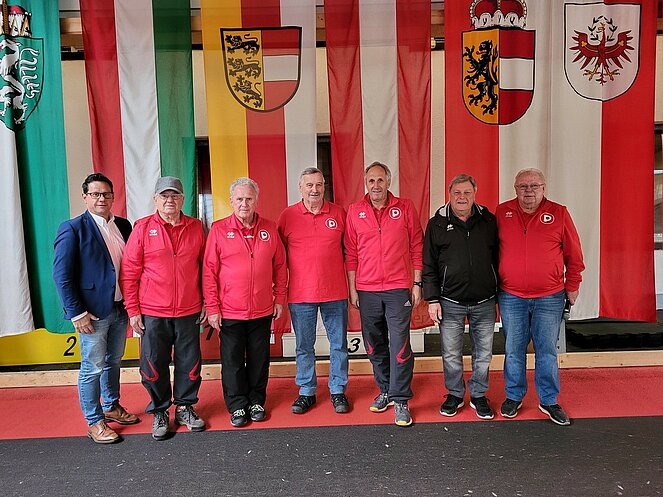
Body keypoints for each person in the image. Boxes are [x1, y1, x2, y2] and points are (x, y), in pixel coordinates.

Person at [53, 173, 139, 444]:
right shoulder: (72, 228)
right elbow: (62, 276)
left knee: (114, 361)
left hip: (120, 307)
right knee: (92, 367)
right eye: (95, 194)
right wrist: (76, 313)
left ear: (113, 197)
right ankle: (94, 420)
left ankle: (111, 406)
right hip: (91, 313)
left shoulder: (124, 225)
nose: (101, 198)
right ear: (85, 197)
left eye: (106, 194)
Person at [120, 176, 207, 440]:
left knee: (189, 363)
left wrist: (207, 301)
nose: (170, 200)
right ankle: (159, 410)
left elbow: (206, 268)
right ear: (155, 200)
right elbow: (129, 272)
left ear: (183, 199)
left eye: (175, 195)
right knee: (153, 363)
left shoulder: (196, 227)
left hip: (189, 310)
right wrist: (133, 310)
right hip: (152, 312)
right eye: (164, 196)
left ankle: (184, 407)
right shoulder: (143, 228)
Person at [496, 168, 585, 426]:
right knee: (513, 350)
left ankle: (548, 400)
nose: (529, 191)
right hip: (511, 296)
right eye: (523, 186)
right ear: (515, 189)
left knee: (546, 351)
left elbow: (574, 255)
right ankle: (514, 396)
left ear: (544, 188)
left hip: (549, 297)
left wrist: (573, 285)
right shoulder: (502, 212)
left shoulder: (559, 213)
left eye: (534, 186)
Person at [203, 177, 287, 427]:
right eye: (239, 199)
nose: (244, 203)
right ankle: (237, 405)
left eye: (249, 199)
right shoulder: (218, 230)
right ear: (231, 201)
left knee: (260, 359)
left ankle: (256, 401)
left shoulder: (270, 228)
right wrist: (212, 307)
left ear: (256, 200)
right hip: (230, 311)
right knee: (232, 361)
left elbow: (280, 266)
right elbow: (209, 271)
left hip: (262, 309)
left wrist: (280, 298)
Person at [345, 162, 423, 427]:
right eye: (371, 181)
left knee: (399, 344)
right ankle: (386, 389)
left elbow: (416, 245)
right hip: (367, 290)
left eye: (380, 180)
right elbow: (351, 253)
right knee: (373, 344)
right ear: (365, 183)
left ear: (389, 182)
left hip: (397, 288)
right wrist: (353, 288)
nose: (376, 185)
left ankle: (401, 399)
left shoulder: (405, 208)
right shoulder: (355, 211)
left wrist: (417, 283)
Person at [423, 174, 499, 420]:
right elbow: (428, 265)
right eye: (457, 193)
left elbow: (499, 258)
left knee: (483, 354)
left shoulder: (489, 221)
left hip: (484, 301)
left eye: (467, 192)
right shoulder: (436, 224)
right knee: (451, 354)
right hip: (450, 302)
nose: (462, 197)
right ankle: (455, 394)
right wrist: (432, 299)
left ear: (475, 193)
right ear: (449, 194)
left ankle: (478, 394)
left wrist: (499, 291)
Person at [278, 167, 350, 415]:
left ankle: (338, 390)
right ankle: (306, 391)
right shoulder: (287, 216)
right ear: (300, 188)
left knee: (338, 344)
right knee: (304, 346)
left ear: (324, 186)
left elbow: (350, 252)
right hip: (301, 295)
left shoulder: (339, 213)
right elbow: (279, 258)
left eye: (319, 184)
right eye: (309, 185)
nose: (315, 190)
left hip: (335, 292)